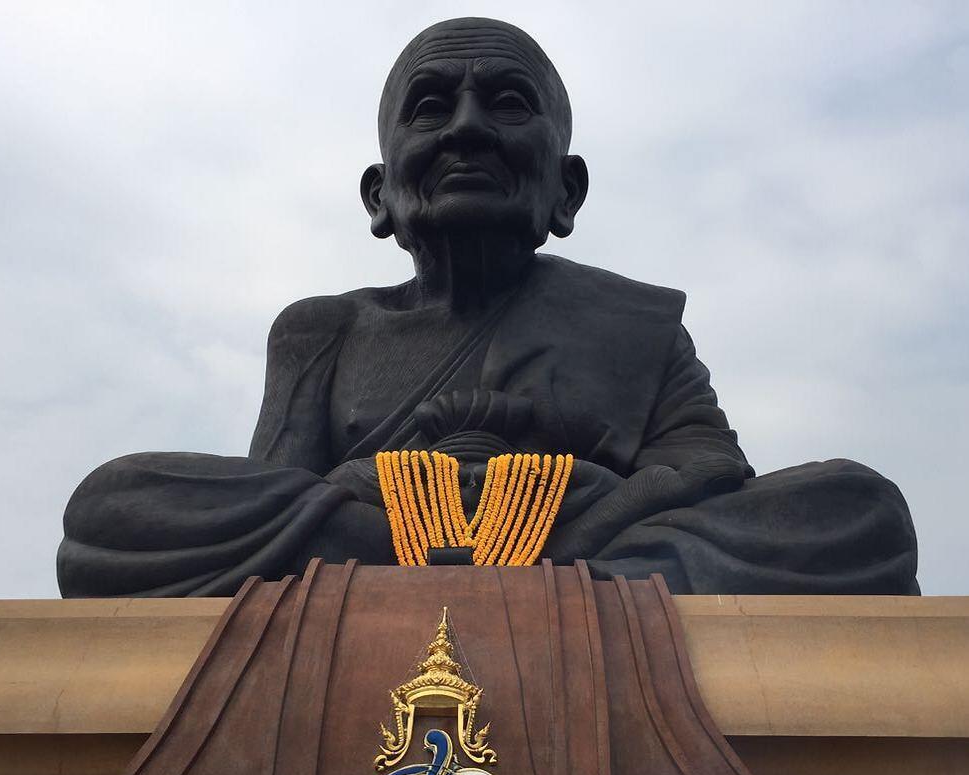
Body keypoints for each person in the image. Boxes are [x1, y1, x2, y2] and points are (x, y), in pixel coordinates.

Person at [57, 17, 918, 598]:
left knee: (858, 512)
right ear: (380, 195)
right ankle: (548, 576)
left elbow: (710, 470)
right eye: (432, 108)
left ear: (566, 191)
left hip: (594, 540)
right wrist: (392, 498)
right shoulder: (323, 329)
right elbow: (281, 497)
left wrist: (574, 507)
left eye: (506, 105)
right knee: (114, 509)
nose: (466, 129)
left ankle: (544, 568)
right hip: (422, 542)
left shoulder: (634, 322)